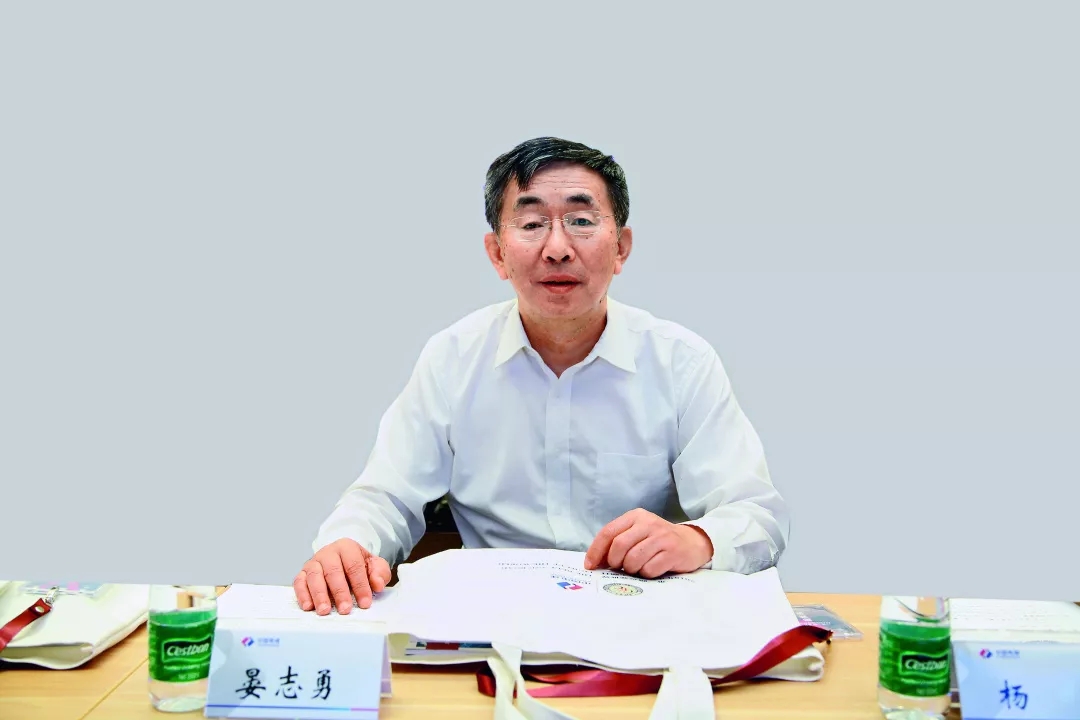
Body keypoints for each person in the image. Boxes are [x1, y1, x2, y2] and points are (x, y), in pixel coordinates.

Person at [293, 137, 789, 616]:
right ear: (497, 253)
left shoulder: (681, 361)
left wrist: (696, 539)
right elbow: (385, 495)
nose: (557, 248)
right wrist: (347, 545)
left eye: (581, 221)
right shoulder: (453, 357)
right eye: (531, 224)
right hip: (492, 619)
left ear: (621, 248)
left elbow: (757, 516)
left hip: (636, 616)